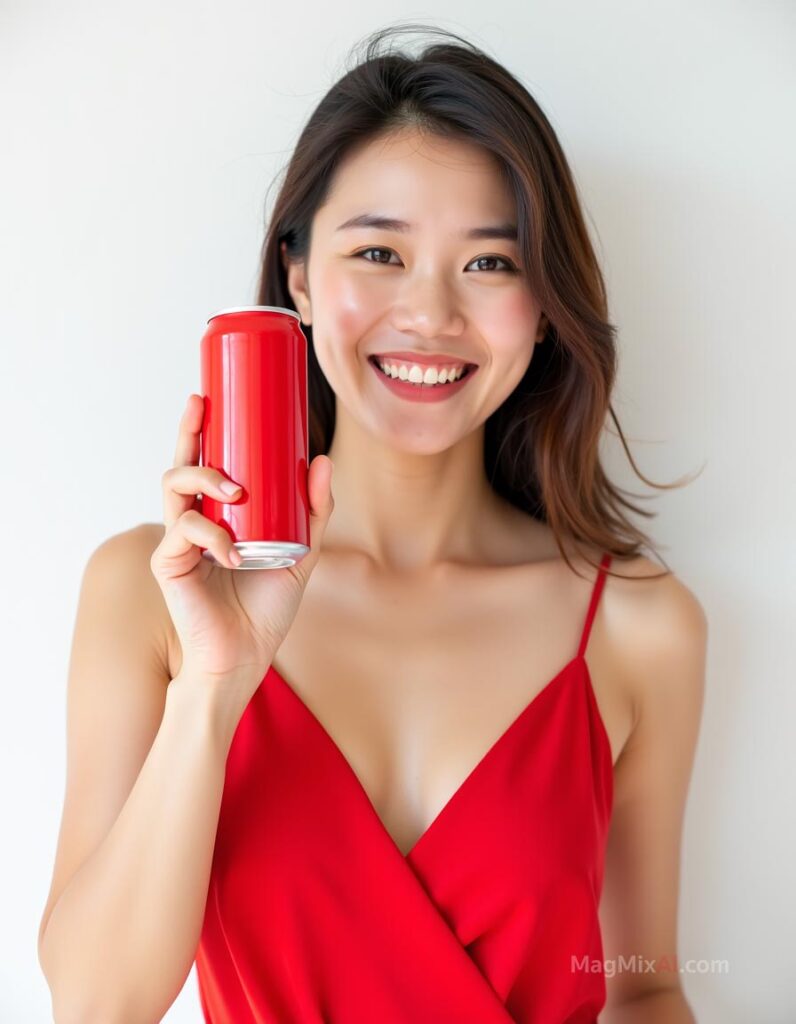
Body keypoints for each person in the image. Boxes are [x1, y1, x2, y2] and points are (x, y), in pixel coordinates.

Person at [37, 23, 707, 1024]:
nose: (431, 312)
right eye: (380, 252)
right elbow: (97, 1003)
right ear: (299, 276)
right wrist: (214, 686)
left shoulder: (639, 624)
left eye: (488, 263)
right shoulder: (149, 591)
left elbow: (643, 986)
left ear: (543, 301)